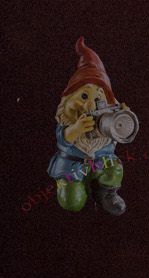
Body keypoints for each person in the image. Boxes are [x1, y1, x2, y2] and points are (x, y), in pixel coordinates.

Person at [48, 39, 136, 216]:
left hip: (102, 161)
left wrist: (121, 119)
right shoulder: (68, 120)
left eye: (98, 98)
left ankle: (105, 193)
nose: (91, 105)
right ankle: (72, 189)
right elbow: (63, 138)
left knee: (115, 169)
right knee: (73, 203)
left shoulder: (109, 114)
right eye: (84, 96)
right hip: (72, 166)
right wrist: (76, 129)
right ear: (68, 99)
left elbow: (123, 131)